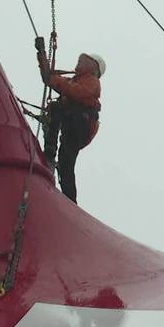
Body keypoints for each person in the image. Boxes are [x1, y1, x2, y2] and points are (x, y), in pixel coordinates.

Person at [36, 37, 106, 203]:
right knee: (66, 161)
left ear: (93, 68)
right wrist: (41, 53)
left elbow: (76, 92)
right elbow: (49, 79)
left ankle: (70, 201)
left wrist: (58, 83)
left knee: (60, 109)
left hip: (81, 124)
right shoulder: (75, 81)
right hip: (73, 123)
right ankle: (51, 149)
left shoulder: (92, 82)